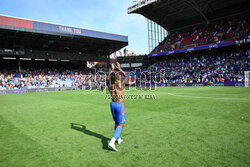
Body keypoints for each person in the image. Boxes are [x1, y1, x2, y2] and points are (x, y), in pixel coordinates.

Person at [106, 62, 128, 151]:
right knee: (121, 124)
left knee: (116, 122)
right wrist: (119, 69)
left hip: (112, 104)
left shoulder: (109, 85)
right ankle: (112, 141)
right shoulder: (121, 84)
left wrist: (112, 70)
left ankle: (118, 139)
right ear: (118, 77)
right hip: (119, 105)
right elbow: (126, 76)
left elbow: (107, 78)